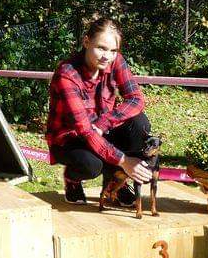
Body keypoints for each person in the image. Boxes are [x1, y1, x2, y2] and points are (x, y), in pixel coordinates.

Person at [45, 17, 153, 205]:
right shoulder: (67, 74)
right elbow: (85, 131)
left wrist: (104, 123)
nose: (107, 56)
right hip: (71, 138)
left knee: (139, 124)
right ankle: (72, 179)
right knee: (92, 165)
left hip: (101, 128)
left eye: (113, 50)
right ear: (86, 42)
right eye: (101, 48)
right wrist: (125, 161)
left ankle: (115, 183)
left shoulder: (115, 61)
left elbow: (136, 99)